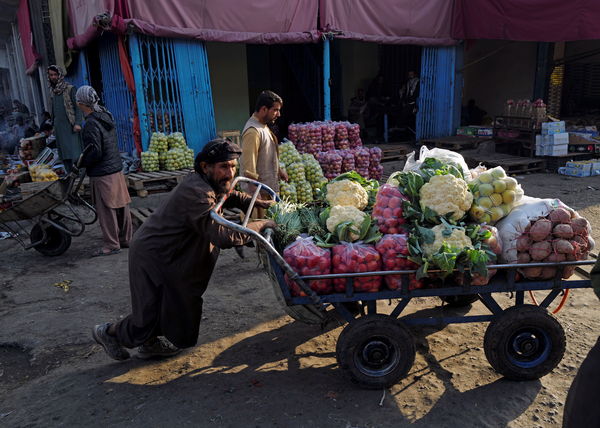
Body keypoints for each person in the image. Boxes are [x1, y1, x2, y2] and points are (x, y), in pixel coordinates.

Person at [91, 138, 276, 360]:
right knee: (148, 314)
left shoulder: (210, 181)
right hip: (154, 254)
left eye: (234, 166)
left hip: (177, 253)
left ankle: (149, 344)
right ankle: (108, 332)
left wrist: (256, 202)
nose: (230, 172)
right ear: (205, 167)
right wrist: (262, 224)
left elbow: (229, 193)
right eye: (224, 167)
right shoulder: (196, 191)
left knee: (178, 302)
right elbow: (222, 235)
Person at [75, 86, 132, 257]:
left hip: (102, 173)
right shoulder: (106, 115)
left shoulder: (91, 123)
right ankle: (126, 239)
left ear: (81, 103)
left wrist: (81, 161)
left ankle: (111, 244)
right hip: (115, 168)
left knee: (106, 210)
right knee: (121, 206)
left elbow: (95, 151)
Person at [240, 90, 287, 216]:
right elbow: (249, 167)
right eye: (275, 110)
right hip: (259, 195)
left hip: (267, 191)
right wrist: (256, 194)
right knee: (259, 229)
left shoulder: (263, 126)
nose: (279, 114)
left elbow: (265, 153)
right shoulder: (253, 131)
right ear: (264, 109)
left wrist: (278, 170)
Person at [48, 65, 84, 173]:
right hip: (59, 129)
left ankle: (81, 180)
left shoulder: (70, 89)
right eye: (51, 75)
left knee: (75, 155)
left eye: (55, 75)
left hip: (71, 127)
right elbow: (54, 111)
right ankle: (71, 181)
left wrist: (78, 123)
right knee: (64, 156)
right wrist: (53, 125)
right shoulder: (53, 91)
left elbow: (78, 107)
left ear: (60, 75)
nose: (53, 77)